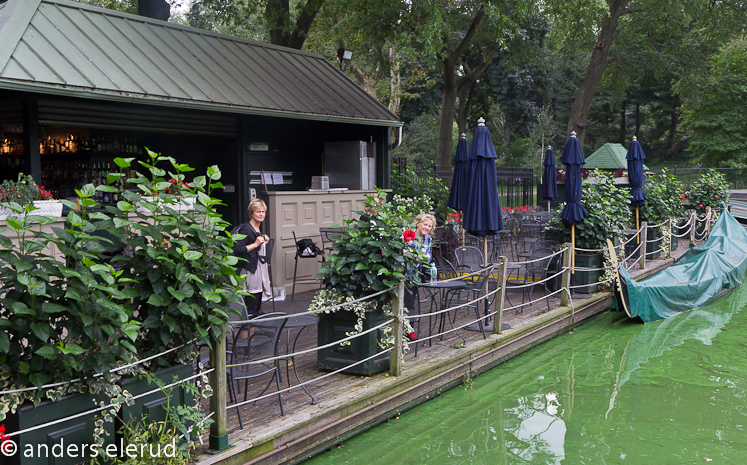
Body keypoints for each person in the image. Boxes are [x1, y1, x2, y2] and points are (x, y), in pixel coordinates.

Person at [232, 199, 272, 316]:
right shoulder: (246, 229)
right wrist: (255, 244)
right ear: (251, 213)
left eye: (263, 212)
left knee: (255, 311)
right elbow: (237, 250)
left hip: (258, 274)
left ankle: (250, 333)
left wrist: (263, 239)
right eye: (258, 211)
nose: (261, 214)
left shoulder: (256, 229)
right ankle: (246, 334)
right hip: (250, 274)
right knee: (249, 312)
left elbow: (255, 248)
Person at [403, 213, 436, 341]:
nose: (427, 228)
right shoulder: (406, 233)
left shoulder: (428, 239)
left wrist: (414, 255)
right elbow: (400, 249)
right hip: (401, 273)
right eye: (425, 224)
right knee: (399, 303)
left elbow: (428, 257)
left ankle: (409, 330)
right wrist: (414, 255)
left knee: (411, 304)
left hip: (415, 276)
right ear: (418, 223)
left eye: (429, 226)